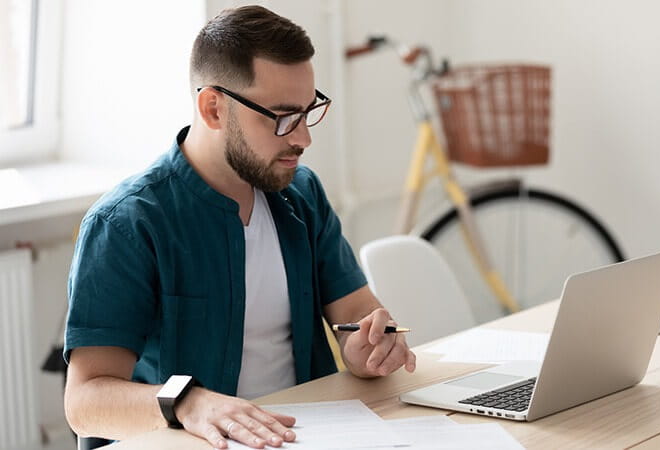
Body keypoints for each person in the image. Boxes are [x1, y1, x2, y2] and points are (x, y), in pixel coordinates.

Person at [63, 5, 416, 449]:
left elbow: (357, 316)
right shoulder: (127, 224)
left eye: (309, 111)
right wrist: (188, 403)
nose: (303, 138)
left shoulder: (301, 194)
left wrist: (369, 348)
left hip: (310, 435)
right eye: (283, 117)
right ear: (213, 108)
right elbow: (85, 402)